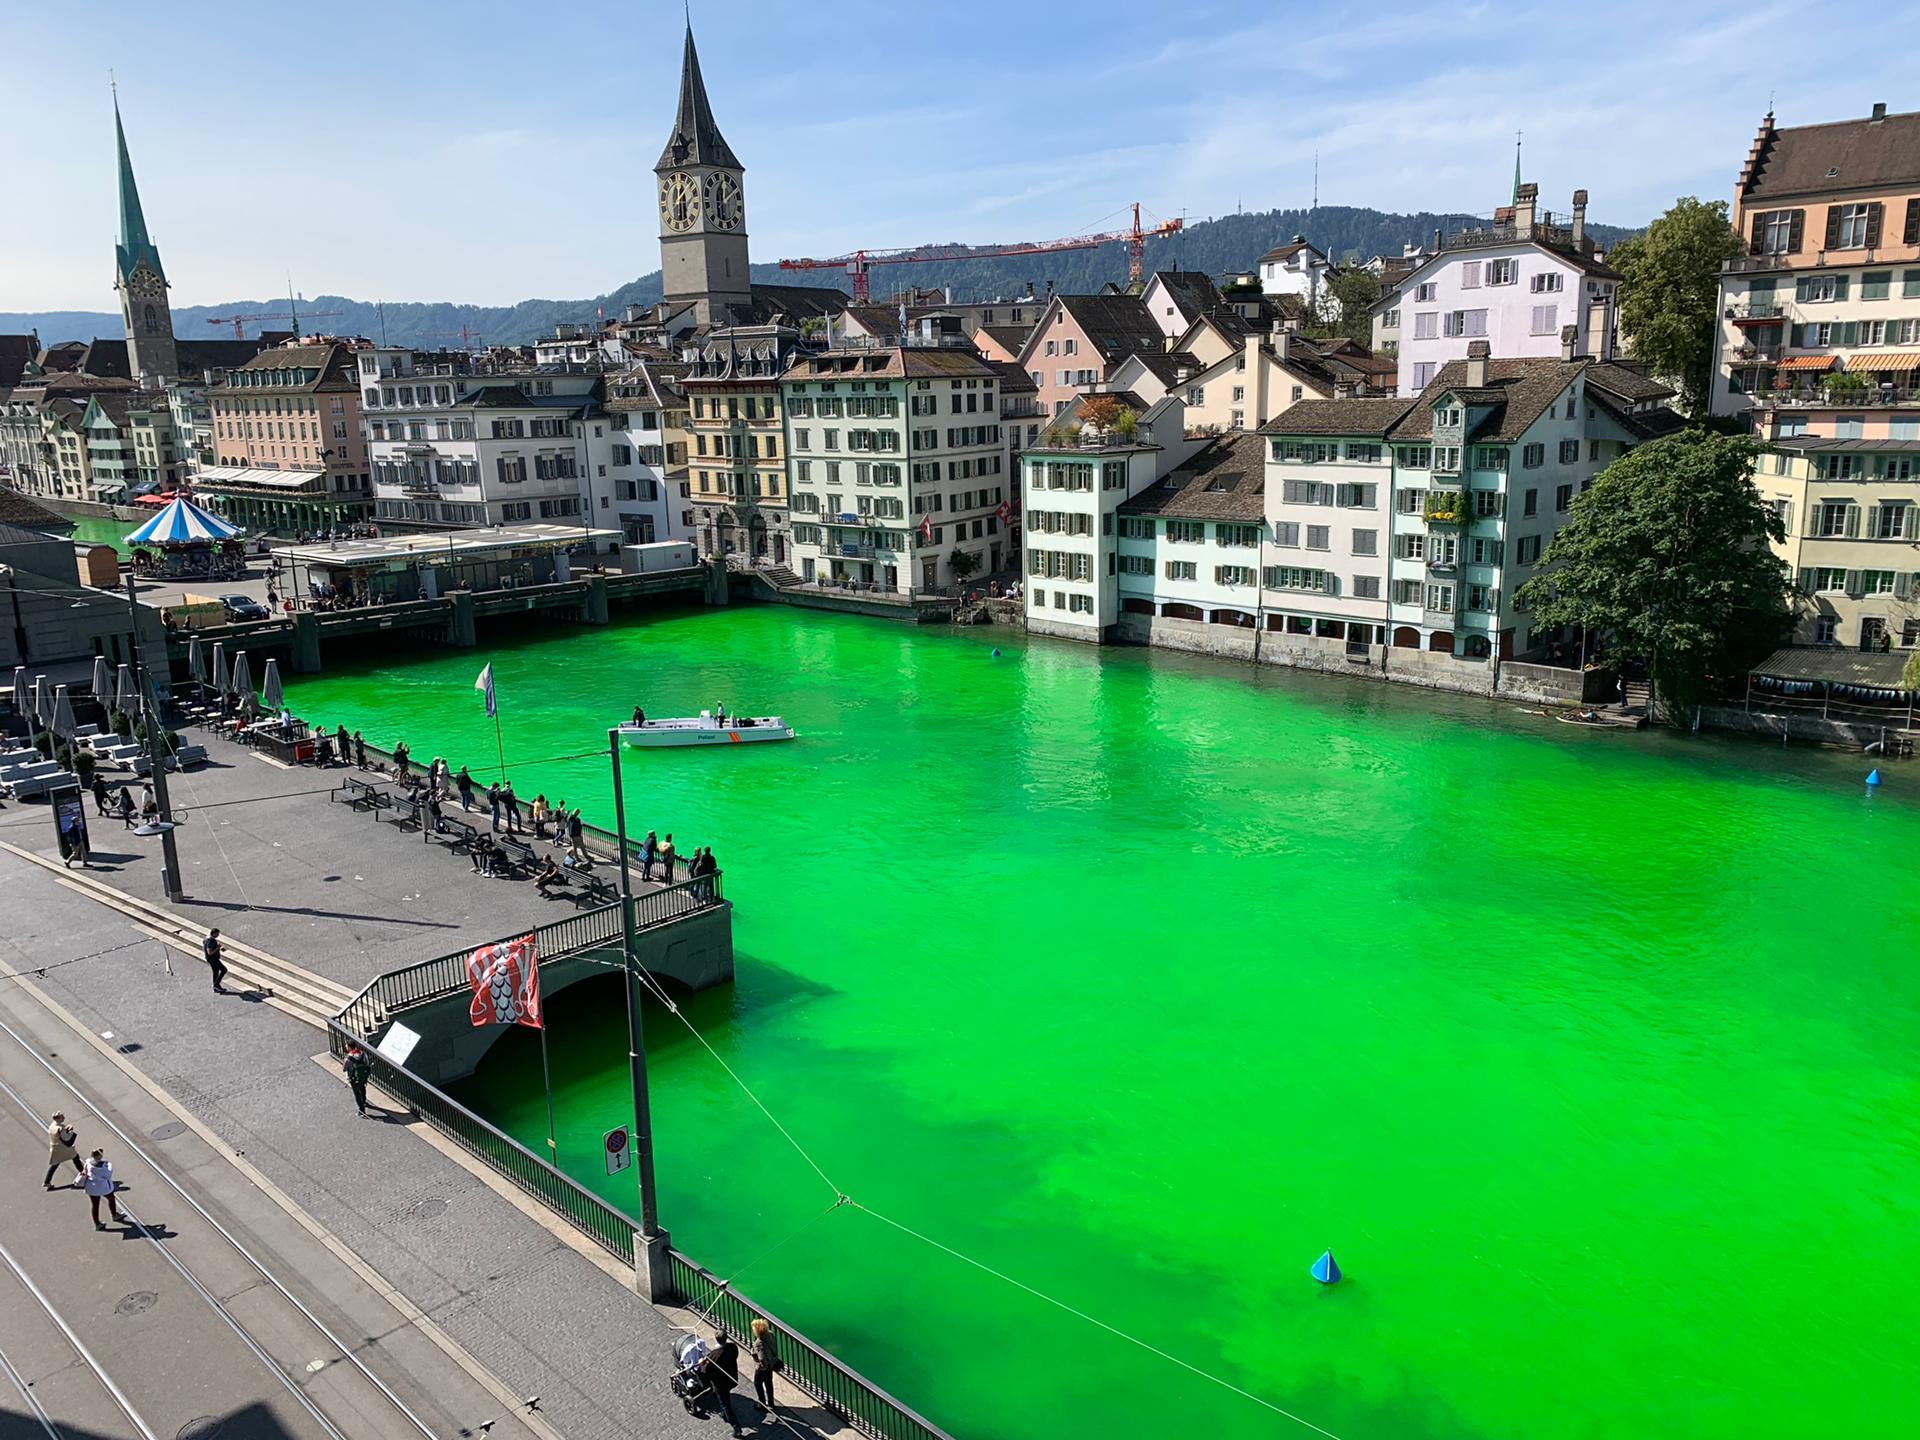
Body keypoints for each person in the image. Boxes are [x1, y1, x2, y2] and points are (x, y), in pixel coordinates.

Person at [698, 1333, 747, 1438]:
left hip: (720, 1384)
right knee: (725, 1399)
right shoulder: (732, 1347)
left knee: (726, 1405)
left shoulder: (713, 1356)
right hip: (731, 1378)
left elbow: (705, 1371)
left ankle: (736, 1428)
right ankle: (725, 1414)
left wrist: (702, 1364)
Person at [83, 1149, 128, 1229]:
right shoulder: (103, 1166)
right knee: (111, 1198)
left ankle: (97, 1224)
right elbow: (108, 1175)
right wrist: (110, 1165)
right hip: (103, 1187)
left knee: (95, 1205)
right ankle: (114, 1215)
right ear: (100, 1156)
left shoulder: (88, 1162)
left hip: (92, 1187)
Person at [748, 1317, 780, 1413]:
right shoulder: (770, 1335)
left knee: (757, 1383)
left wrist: (758, 1361)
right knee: (768, 1383)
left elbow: (761, 1358)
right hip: (771, 1364)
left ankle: (762, 1403)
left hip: (763, 1368)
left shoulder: (759, 1343)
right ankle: (771, 1402)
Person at [45, 1112, 82, 1190]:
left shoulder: (52, 1126)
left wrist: (66, 1128)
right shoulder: (60, 1129)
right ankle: (84, 1173)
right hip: (64, 1149)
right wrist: (71, 1130)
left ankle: (47, 1182)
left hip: (56, 1149)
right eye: (62, 1117)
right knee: (76, 1158)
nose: (64, 1118)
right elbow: (66, 1138)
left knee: (54, 1165)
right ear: (58, 1118)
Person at [342, 1045, 373, 1116]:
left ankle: (361, 1110)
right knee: (362, 1088)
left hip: (353, 1079)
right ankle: (364, 1101)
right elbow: (367, 1063)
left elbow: (344, 1069)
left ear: (349, 1047)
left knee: (357, 1094)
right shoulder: (362, 1054)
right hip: (363, 1077)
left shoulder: (348, 1058)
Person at [204, 927, 228, 993]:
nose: (218, 935)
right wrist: (218, 948)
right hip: (213, 959)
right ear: (214, 933)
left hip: (211, 959)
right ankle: (216, 985)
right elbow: (210, 952)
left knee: (216, 972)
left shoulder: (208, 939)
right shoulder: (210, 941)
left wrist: (219, 948)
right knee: (224, 970)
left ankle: (216, 987)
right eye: (217, 934)